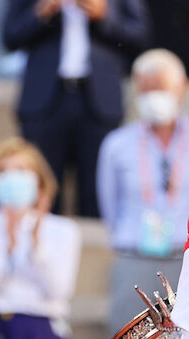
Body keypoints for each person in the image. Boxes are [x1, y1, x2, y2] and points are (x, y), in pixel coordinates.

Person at [2, 0, 150, 217]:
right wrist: (41, 12)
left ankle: (96, 250)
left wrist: (105, 16)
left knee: (97, 193)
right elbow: (10, 36)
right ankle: (40, 248)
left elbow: (139, 36)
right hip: (45, 102)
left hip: (99, 103)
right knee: (40, 189)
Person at [96, 49, 189, 335]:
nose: (153, 97)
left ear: (182, 87)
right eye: (145, 89)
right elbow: (108, 205)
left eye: (160, 88)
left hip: (185, 259)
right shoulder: (117, 144)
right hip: (134, 258)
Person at [0, 137, 81, 339]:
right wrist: (7, 249)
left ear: (38, 179)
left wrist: (36, 247)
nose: (12, 177)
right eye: (2, 171)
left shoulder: (63, 230)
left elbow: (59, 292)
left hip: (40, 327)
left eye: (21, 169)